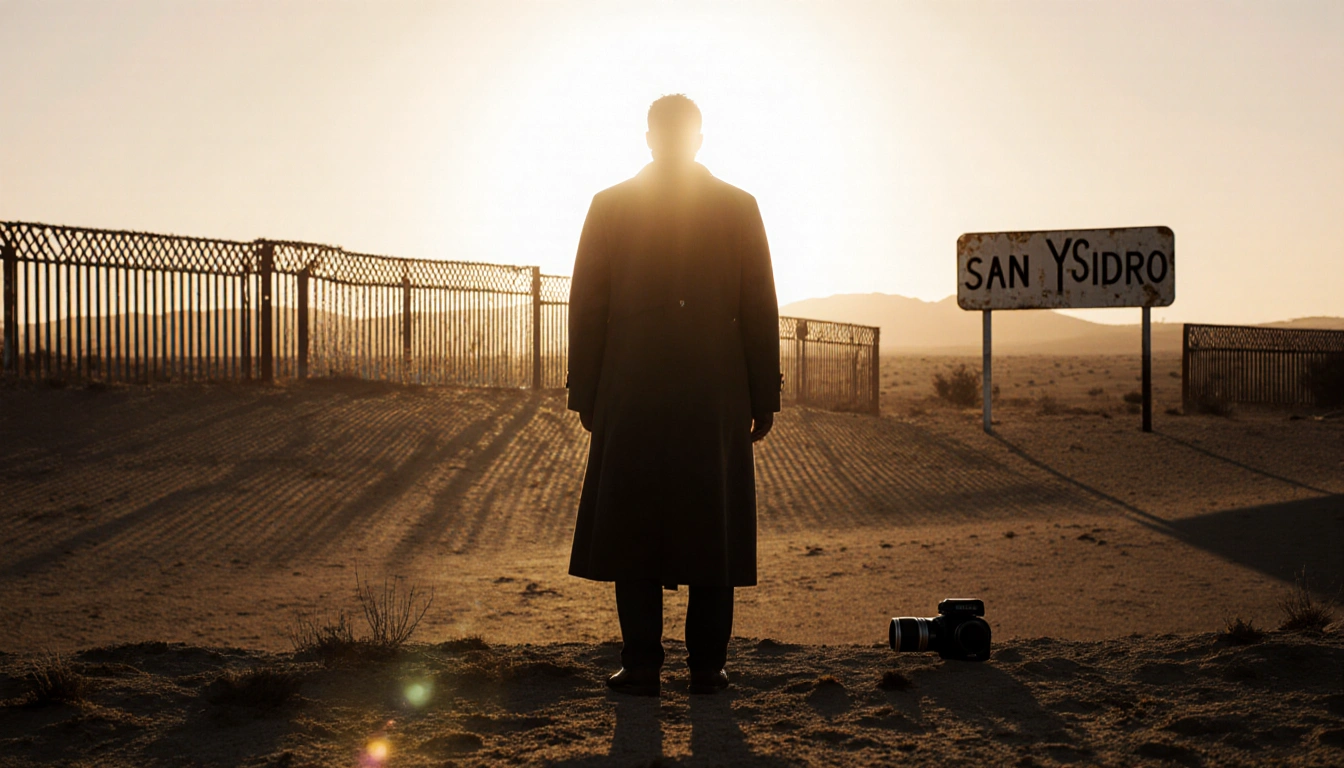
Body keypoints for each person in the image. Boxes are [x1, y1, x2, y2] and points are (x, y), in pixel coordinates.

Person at [566, 94, 781, 697]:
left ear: (649, 137)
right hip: (716, 393)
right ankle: (707, 670)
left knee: (633, 526)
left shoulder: (609, 205)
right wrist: (762, 395)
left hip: (630, 389)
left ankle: (641, 667)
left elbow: (587, 308)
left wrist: (587, 393)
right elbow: (759, 307)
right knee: (713, 527)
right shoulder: (738, 206)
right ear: (699, 138)